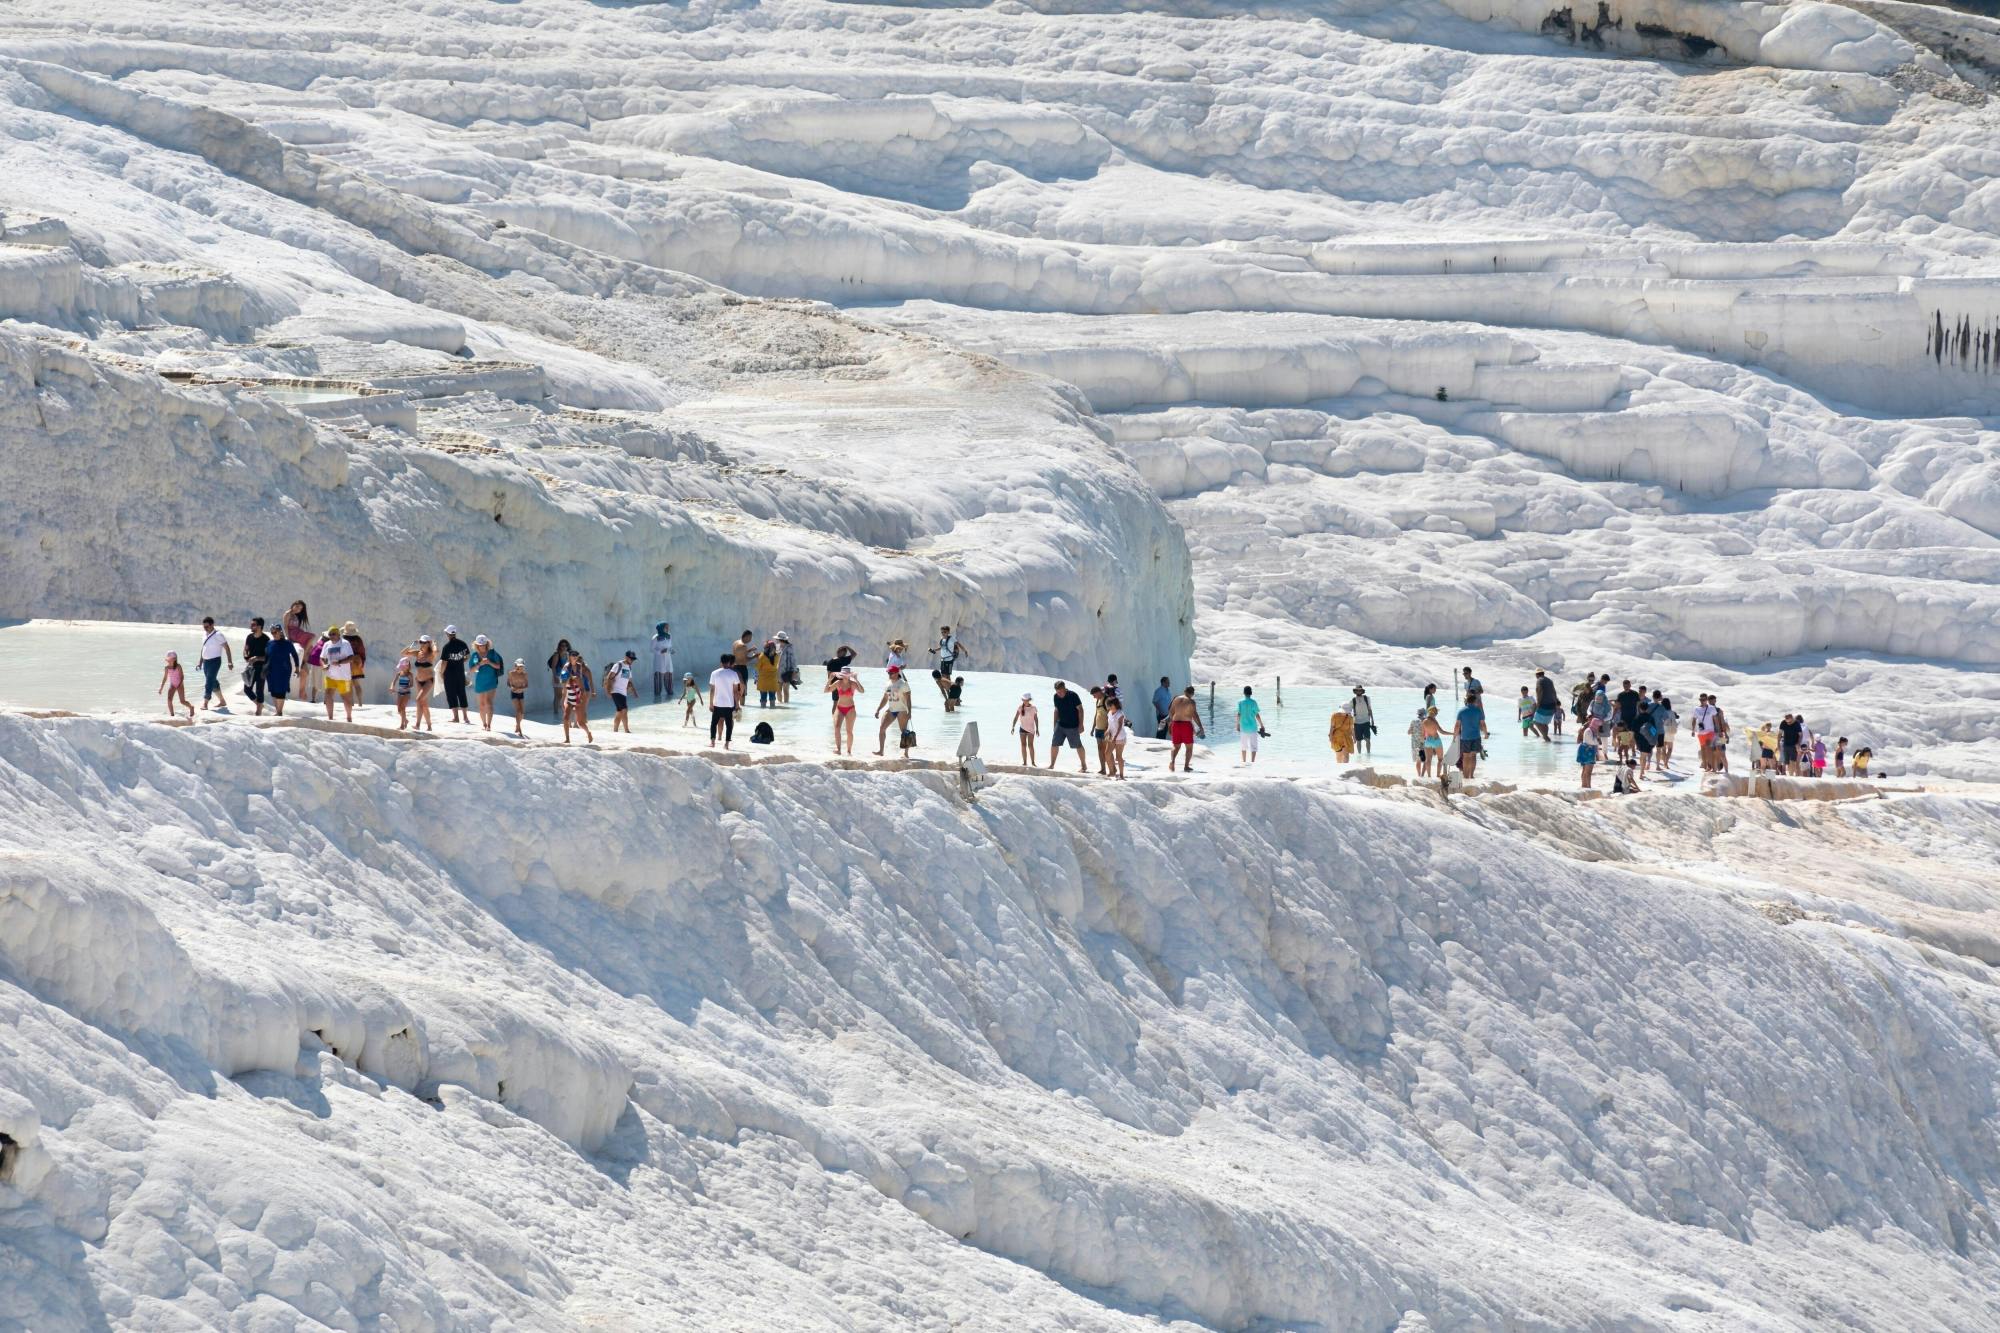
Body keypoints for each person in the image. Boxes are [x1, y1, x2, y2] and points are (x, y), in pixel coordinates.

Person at [1048, 681, 1088, 773]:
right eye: (1058, 692)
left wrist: (1081, 725)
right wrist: (1054, 724)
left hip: (1073, 726)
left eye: (1061, 692)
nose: (1060, 694)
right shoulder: (1055, 697)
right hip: (1060, 724)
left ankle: (1084, 765)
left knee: (1078, 745)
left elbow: (1080, 710)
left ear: (1064, 688)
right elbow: (1056, 710)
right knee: (1054, 744)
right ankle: (1052, 764)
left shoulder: (1073, 695)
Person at [874, 664, 913, 757]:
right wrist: (878, 709)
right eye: (888, 673)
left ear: (896, 673)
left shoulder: (903, 683)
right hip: (891, 709)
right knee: (882, 728)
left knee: (904, 731)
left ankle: (906, 753)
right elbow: (885, 698)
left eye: (891, 673)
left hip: (901, 710)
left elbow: (909, 699)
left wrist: (909, 712)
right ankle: (881, 751)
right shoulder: (888, 683)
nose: (889, 674)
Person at [198, 617, 234, 713]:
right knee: (213, 681)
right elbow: (203, 648)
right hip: (206, 662)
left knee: (209, 680)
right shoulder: (204, 635)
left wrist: (230, 662)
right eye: (204, 626)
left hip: (215, 661)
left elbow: (227, 648)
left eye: (207, 626)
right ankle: (222, 701)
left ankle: (205, 702)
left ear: (212, 625)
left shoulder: (218, 635)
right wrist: (200, 662)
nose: (205, 628)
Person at [320, 625, 355, 722]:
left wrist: (340, 662)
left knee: (345, 697)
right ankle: (330, 718)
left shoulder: (345, 643)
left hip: (343, 676)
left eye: (333, 634)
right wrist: (323, 665)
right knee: (328, 694)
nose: (331, 636)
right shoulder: (327, 644)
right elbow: (322, 658)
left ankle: (349, 717)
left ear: (338, 634)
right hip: (330, 674)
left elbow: (351, 657)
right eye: (330, 634)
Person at [825, 667, 864, 754]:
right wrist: (830, 680)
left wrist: (857, 680)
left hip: (850, 708)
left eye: (846, 675)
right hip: (839, 708)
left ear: (849, 675)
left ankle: (849, 751)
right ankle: (838, 750)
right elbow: (826, 690)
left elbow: (862, 691)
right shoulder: (838, 683)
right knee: (837, 728)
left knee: (849, 731)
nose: (844, 676)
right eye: (843, 675)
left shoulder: (853, 684)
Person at [285, 601, 317, 703]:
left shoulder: (295, 616)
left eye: (300, 609)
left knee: (310, 646)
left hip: (297, 633)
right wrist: (288, 638)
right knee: (312, 637)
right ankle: (301, 692)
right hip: (293, 633)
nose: (298, 609)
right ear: (293, 605)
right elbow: (285, 626)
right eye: (297, 607)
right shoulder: (288, 614)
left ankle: (304, 660)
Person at [1167, 686, 1205, 773]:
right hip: (1186, 725)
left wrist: (1171, 724)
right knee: (1189, 747)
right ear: (1192, 693)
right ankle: (1186, 766)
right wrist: (1201, 727)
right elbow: (1194, 715)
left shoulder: (1176, 699)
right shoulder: (1191, 702)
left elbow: (1171, 712)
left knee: (1176, 746)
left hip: (1175, 724)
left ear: (1184, 691)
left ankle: (1172, 762)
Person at [708, 653, 741, 749]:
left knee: (713, 723)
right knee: (729, 725)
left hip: (717, 703)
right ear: (729, 662)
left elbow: (712, 690)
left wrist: (710, 703)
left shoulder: (714, 673)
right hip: (729, 704)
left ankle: (713, 742)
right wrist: (737, 704)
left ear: (721, 662)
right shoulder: (734, 674)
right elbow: (735, 691)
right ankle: (726, 745)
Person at [263, 624, 298, 716]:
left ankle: (279, 712)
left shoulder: (287, 643)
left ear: (280, 632)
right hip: (271, 670)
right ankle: (277, 711)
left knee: (281, 690)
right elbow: (266, 657)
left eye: (275, 632)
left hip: (284, 670)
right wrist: (264, 668)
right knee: (273, 691)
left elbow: (295, 655)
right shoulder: (269, 643)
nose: (274, 634)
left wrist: (297, 668)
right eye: (272, 632)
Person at [471, 636, 505, 731]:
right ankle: (484, 724)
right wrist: (479, 664)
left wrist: (489, 662)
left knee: (489, 703)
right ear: (477, 645)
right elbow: (472, 670)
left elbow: (498, 666)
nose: (482, 646)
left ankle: (489, 725)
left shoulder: (493, 653)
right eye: (480, 645)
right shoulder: (475, 655)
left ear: (487, 644)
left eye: (483, 644)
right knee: (481, 705)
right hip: (480, 682)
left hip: (491, 681)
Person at [562, 649, 595, 745]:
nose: (575, 656)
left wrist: (583, 693)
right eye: (573, 655)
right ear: (569, 656)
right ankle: (567, 738)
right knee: (565, 717)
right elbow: (564, 682)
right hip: (570, 694)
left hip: (578, 694)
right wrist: (564, 695)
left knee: (580, 722)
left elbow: (579, 680)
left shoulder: (579, 666)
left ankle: (588, 733)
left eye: (576, 655)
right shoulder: (566, 667)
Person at [440, 626, 471, 725]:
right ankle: (465, 718)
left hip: (449, 674)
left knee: (451, 695)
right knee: (462, 693)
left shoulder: (447, 647)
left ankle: (456, 717)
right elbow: (468, 656)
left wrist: (441, 673)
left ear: (448, 634)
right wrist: (461, 660)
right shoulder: (462, 644)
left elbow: (444, 662)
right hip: (460, 673)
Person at [1454, 691, 1486, 780]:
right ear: (1475, 701)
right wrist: (1486, 733)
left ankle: (1465, 776)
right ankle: (1471, 776)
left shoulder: (1461, 711)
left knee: (1465, 757)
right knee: (1473, 756)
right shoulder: (1478, 711)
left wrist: (1455, 736)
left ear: (1467, 701)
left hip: (1465, 737)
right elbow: (1483, 724)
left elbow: (1457, 725)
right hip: (1476, 737)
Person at [242, 617, 270, 716]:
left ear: (260, 626)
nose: (251, 626)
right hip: (251, 668)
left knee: (259, 690)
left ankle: (258, 711)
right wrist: (245, 655)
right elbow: (246, 649)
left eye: (253, 625)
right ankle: (259, 704)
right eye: (251, 624)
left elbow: (268, 657)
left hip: (262, 668)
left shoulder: (266, 640)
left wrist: (257, 658)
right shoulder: (249, 637)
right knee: (246, 689)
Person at [606, 649, 636, 733]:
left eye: (633, 659)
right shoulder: (618, 665)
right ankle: (626, 730)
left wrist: (633, 691)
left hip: (623, 692)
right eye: (631, 658)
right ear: (626, 657)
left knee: (619, 711)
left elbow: (629, 680)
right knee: (624, 709)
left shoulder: (629, 667)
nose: (632, 660)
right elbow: (609, 677)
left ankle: (615, 730)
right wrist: (608, 690)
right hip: (615, 691)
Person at [413, 635, 438, 731]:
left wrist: (433, 644)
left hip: (428, 680)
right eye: (421, 642)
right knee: (423, 704)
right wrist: (412, 644)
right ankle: (428, 726)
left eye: (424, 642)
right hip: (418, 680)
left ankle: (418, 724)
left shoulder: (431, 654)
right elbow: (404, 653)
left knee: (419, 700)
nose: (422, 644)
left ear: (428, 643)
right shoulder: (418, 653)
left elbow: (435, 650)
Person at [159, 652, 192, 718]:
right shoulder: (166, 668)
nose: (168, 660)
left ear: (174, 659)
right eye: (167, 659)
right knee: (169, 700)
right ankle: (172, 715)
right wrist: (161, 688)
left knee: (182, 701)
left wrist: (180, 684)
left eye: (170, 659)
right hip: (172, 685)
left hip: (180, 684)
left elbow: (182, 676)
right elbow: (165, 678)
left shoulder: (178, 666)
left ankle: (191, 707)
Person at [546, 639, 573, 719]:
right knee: (558, 695)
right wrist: (555, 677)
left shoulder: (567, 655)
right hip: (557, 676)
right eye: (562, 645)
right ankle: (556, 712)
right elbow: (553, 667)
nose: (564, 647)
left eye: (565, 645)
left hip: (565, 676)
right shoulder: (556, 655)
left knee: (563, 694)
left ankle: (559, 711)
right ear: (559, 646)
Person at [342, 622, 367, 707]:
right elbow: (362, 652)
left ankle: (351, 703)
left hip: (346, 663)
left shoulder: (343, 639)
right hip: (356, 663)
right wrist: (361, 662)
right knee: (356, 683)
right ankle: (360, 702)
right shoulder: (358, 639)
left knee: (349, 684)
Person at [1236, 686, 1262, 765]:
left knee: (1243, 746)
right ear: (1251, 693)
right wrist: (1262, 725)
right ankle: (1253, 762)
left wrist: (1237, 724)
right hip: (1253, 727)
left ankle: (1244, 762)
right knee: (1253, 746)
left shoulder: (1240, 702)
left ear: (1244, 693)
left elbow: (1238, 714)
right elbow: (1257, 715)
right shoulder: (1254, 702)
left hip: (1243, 727)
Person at [1012, 692, 1040, 765]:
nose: (1024, 701)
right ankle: (1024, 762)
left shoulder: (1033, 708)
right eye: (1023, 699)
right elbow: (1016, 717)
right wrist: (1013, 726)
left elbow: (1036, 719)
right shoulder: (1020, 707)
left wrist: (1037, 729)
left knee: (1030, 745)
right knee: (1023, 745)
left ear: (1029, 700)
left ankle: (1033, 762)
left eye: (1026, 699)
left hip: (1031, 729)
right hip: (1022, 729)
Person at [392, 645, 416, 730]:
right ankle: (405, 720)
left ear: (407, 666)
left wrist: (407, 687)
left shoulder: (410, 675)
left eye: (402, 666)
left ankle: (402, 725)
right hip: (399, 692)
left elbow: (412, 684)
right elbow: (394, 681)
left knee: (403, 708)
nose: (401, 668)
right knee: (399, 709)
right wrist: (392, 687)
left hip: (406, 693)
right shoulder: (399, 673)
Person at [1106, 695, 1129, 779]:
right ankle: (1112, 771)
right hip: (1112, 736)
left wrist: (1115, 736)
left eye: (1110, 705)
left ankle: (1122, 775)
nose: (1109, 707)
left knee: (1118, 757)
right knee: (1107, 754)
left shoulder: (1120, 714)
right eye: (1109, 705)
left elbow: (1119, 726)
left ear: (1115, 704)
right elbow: (1110, 725)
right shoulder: (1109, 713)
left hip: (1120, 737)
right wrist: (1107, 731)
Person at [1576, 715, 1602, 789]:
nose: (1598, 727)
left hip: (1586, 750)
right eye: (1598, 725)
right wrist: (1598, 741)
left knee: (1585, 770)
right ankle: (1588, 787)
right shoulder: (1589, 731)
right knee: (1588, 771)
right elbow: (1591, 741)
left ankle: (1584, 786)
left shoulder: (1591, 731)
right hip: (1587, 751)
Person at [1532, 670, 1559, 741]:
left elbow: (1539, 691)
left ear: (1537, 675)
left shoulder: (1539, 680)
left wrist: (1538, 703)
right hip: (1552, 706)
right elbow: (1554, 692)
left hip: (1544, 705)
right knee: (1545, 724)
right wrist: (1555, 704)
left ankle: (1545, 737)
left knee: (1536, 721)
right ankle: (1546, 740)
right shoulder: (1550, 681)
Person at [650, 623, 674, 700]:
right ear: (661, 628)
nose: (667, 629)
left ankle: (670, 695)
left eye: (668, 627)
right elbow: (651, 649)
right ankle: (657, 698)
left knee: (668, 676)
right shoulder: (655, 637)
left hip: (667, 659)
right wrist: (660, 651)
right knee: (658, 677)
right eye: (666, 627)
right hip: (659, 660)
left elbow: (669, 647)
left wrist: (671, 650)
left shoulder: (669, 636)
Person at [1091, 686, 1112, 774]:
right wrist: (1093, 728)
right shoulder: (1098, 700)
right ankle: (1103, 769)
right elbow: (1096, 714)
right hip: (1098, 729)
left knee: (1107, 750)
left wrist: (1107, 728)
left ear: (1099, 692)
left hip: (1105, 729)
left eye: (1094, 695)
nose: (1094, 697)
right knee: (1100, 749)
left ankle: (1112, 769)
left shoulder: (1106, 700)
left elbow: (1110, 714)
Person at [755, 641, 782, 708]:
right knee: (772, 699)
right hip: (773, 681)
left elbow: (757, 668)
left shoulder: (762, 656)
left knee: (763, 699)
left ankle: (763, 716)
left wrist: (757, 658)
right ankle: (772, 716)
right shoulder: (777, 656)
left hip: (763, 681)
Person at [507, 660, 529, 737]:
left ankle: (517, 725)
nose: (520, 668)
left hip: (521, 693)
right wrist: (512, 687)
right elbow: (508, 683)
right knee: (518, 710)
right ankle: (519, 729)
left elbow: (526, 685)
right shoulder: (511, 673)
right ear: (515, 666)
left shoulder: (525, 674)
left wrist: (522, 689)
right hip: (514, 693)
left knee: (522, 713)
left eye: (521, 666)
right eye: (519, 666)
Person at [775, 631, 797, 703]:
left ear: (780, 639)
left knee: (785, 690)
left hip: (787, 672)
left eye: (777, 639)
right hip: (778, 671)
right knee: (778, 689)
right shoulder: (778, 647)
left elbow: (793, 660)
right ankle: (780, 705)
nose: (776, 640)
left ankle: (786, 705)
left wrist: (794, 671)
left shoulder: (789, 647)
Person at [1351, 687, 1374, 755]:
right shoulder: (1353, 700)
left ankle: (1368, 754)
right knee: (1358, 740)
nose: (1358, 691)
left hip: (1366, 721)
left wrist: (1372, 720)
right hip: (1356, 722)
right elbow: (1348, 709)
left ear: (1362, 691)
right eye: (1357, 690)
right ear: (1355, 691)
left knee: (1368, 739)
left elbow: (1370, 709)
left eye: (1360, 690)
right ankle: (1359, 755)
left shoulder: (1367, 698)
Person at [1421, 708, 1444, 774]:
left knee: (1428, 760)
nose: (1437, 714)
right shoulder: (1434, 721)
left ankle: (1429, 776)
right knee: (1440, 759)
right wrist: (1452, 733)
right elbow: (1442, 731)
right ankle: (1438, 775)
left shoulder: (1424, 721)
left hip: (1428, 741)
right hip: (1436, 740)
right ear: (1434, 713)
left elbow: (1422, 735)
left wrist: (1424, 742)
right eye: (1436, 712)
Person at [1406, 709, 1427, 776]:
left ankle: (1419, 775)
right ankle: (1422, 775)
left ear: (1418, 714)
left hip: (1415, 744)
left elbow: (1409, 732)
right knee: (1426, 760)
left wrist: (1415, 732)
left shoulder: (1413, 721)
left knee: (1418, 760)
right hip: (1423, 743)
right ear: (1424, 714)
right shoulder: (1425, 721)